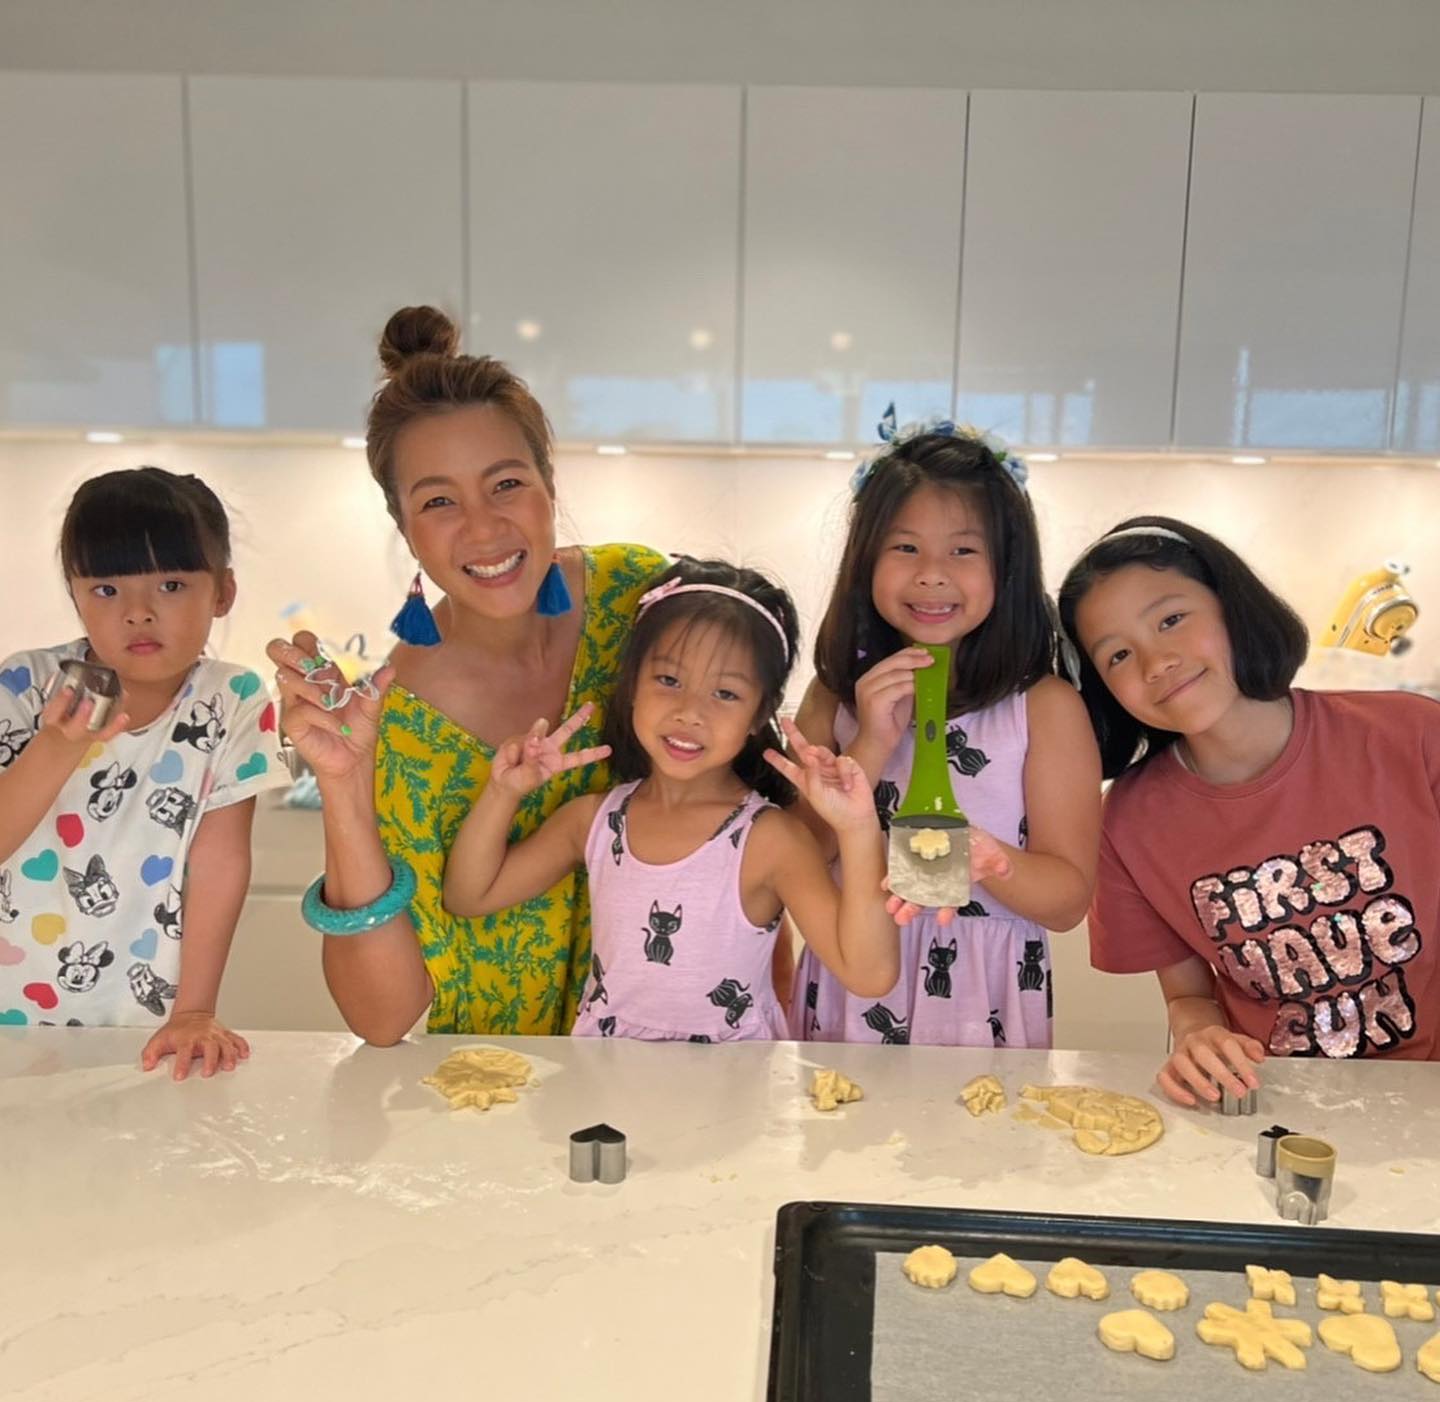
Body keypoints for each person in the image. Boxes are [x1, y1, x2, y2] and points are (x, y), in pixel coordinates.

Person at [268, 305, 667, 1042]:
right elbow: (383, 1017)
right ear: (404, 527)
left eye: (506, 484)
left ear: (549, 483)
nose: (483, 528)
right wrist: (345, 785)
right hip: (498, 1085)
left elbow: (750, 817)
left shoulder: (641, 601)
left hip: (681, 1061)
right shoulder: (400, 720)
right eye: (439, 501)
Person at [1058, 516, 1440, 1104]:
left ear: (1231, 606)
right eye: (1118, 655)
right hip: (1270, 1103)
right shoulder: (1127, 824)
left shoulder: (1412, 736)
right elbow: (1189, 997)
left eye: (1171, 620)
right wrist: (1198, 1037)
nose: (1155, 662)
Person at [443, 559, 899, 1040]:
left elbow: (869, 975)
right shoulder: (595, 821)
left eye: (725, 693)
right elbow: (470, 895)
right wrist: (503, 792)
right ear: (632, 684)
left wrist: (857, 828)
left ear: (758, 713)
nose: (690, 712)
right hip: (605, 1071)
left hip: (734, 1082)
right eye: (669, 680)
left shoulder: (771, 840)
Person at [785, 418, 1100, 1046]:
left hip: (983, 993)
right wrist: (871, 744)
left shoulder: (1044, 708)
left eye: (963, 551)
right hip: (853, 974)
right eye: (905, 548)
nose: (932, 574)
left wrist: (993, 861)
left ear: (1007, 568)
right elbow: (798, 860)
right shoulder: (834, 698)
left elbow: (1068, 902)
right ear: (865, 561)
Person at [0, 468, 287, 1075]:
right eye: (106, 589)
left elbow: (219, 862)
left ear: (223, 593)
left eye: (172, 585)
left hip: (142, 1027)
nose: (137, 613)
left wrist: (195, 1011)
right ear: (76, 596)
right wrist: (57, 744)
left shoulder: (232, 698)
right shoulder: (26, 685)